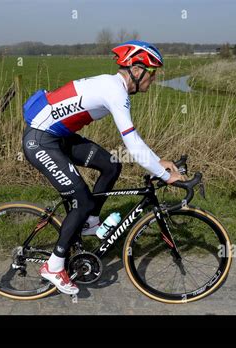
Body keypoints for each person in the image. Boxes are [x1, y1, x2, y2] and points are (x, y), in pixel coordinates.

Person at [21, 40, 184, 295]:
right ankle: (54, 266)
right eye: (152, 74)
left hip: (58, 136)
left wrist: (158, 162)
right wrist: (164, 175)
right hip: (42, 140)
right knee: (82, 200)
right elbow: (132, 142)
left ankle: (89, 223)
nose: (153, 80)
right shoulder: (115, 91)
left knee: (111, 165)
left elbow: (135, 141)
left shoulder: (112, 86)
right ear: (138, 70)